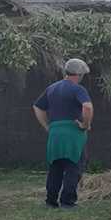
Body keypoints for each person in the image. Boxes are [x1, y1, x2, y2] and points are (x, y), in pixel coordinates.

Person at [33, 58, 94, 211]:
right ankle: (68, 202)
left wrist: (47, 126)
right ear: (79, 75)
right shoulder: (78, 89)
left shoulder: (52, 88)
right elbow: (87, 107)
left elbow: (37, 107)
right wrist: (85, 125)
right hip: (72, 132)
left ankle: (50, 202)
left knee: (55, 167)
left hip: (55, 132)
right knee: (73, 166)